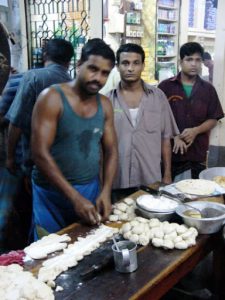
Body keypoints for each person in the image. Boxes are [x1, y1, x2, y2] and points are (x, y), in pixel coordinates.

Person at [31, 38, 118, 240]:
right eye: (93, 69)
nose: (98, 78)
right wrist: (74, 197)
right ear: (79, 65)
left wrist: (105, 191)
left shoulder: (104, 105)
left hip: (89, 188)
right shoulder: (51, 98)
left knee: (86, 246)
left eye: (105, 73)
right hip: (50, 193)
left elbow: (112, 151)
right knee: (47, 251)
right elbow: (39, 153)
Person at [107, 43, 179, 195]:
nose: (130, 68)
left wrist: (167, 174)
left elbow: (165, 139)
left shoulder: (158, 97)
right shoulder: (107, 100)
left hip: (150, 179)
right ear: (117, 66)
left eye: (136, 63)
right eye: (125, 63)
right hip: (116, 180)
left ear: (143, 65)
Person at [6, 38, 74, 177]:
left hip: (37, 162)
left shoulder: (33, 77)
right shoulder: (73, 83)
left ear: (44, 55)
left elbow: (17, 122)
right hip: (67, 163)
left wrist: (10, 157)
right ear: (69, 61)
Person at [158, 42, 224, 180]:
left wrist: (196, 131)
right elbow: (158, 118)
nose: (194, 64)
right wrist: (174, 136)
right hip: (170, 154)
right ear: (181, 62)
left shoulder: (208, 89)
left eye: (198, 60)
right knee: (168, 194)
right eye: (189, 59)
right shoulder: (165, 87)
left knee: (195, 193)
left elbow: (213, 118)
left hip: (197, 153)